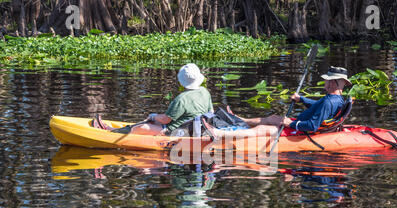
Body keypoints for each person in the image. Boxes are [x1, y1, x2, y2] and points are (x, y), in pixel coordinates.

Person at [202, 66, 352, 139]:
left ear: (333, 83)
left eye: (327, 80)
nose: (324, 82)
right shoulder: (336, 99)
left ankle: (219, 133)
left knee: (262, 129)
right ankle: (238, 120)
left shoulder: (329, 102)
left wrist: (290, 124)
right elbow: (317, 107)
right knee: (272, 118)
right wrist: (301, 99)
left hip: (302, 129)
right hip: (301, 123)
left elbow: (313, 126)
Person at [95, 63, 213, 135]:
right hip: (195, 129)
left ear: (182, 82)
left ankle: (110, 132)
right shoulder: (205, 92)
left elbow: (165, 120)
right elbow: (211, 113)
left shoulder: (181, 99)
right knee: (151, 121)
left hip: (177, 131)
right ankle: (120, 129)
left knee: (141, 127)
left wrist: (153, 116)